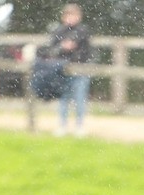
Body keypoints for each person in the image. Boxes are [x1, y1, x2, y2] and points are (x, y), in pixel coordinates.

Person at [48, 3, 91, 137]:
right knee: (63, 99)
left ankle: (79, 126)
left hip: (80, 70)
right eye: (69, 15)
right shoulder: (58, 32)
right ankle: (63, 125)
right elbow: (51, 51)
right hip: (62, 70)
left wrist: (75, 52)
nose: (71, 18)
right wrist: (62, 48)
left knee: (80, 99)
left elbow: (87, 52)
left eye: (74, 15)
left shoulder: (83, 32)